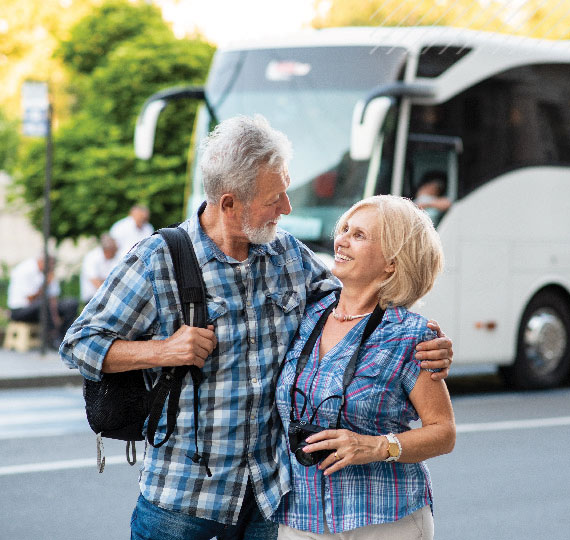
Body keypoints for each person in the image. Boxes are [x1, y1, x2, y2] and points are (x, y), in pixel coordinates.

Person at [60, 114, 453, 540]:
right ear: (229, 204)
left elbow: (358, 304)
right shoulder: (159, 259)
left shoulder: (284, 253)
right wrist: (163, 350)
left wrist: (424, 335)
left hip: (269, 500)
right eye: (275, 198)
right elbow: (78, 344)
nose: (287, 207)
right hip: (183, 500)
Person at [273, 195, 456, 539]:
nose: (340, 240)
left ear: (391, 262)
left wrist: (376, 447)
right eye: (343, 230)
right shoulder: (306, 315)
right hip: (300, 517)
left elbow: (443, 432)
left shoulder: (410, 334)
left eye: (359, 235)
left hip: (383, 520)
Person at [7, 254, 78, 347]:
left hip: (43, 307)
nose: (51, 268)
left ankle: (64, 336)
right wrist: (46, 283)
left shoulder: (49, 272)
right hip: (21, 309)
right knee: (43, 304)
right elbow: (30, 299)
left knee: (71, 303)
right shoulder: (26, 270)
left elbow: (53, 297)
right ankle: (52, 338)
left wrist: (55, 314)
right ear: (42, 262)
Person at [79, 233, 118, 303]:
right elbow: (95, 281)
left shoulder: (114, 258)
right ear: (109, 250)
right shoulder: (92, 257)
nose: (117, 251)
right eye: (115, 250)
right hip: (92, 298)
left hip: (109, 296)